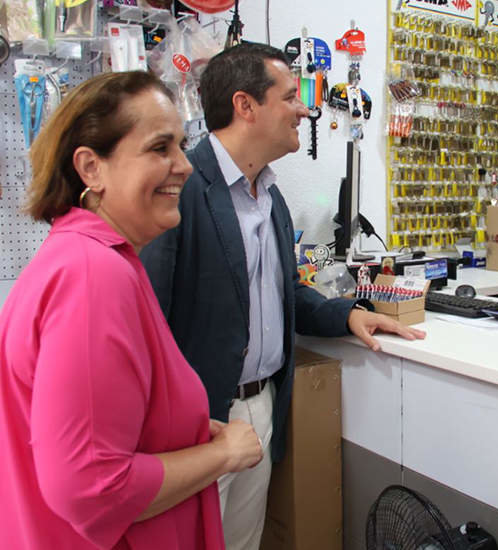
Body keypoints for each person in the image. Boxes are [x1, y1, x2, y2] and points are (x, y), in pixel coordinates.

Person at [140, 42, 425, 550]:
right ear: (246, 106)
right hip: (196, 427)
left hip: (261, 411)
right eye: (290, 96)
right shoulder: (181, 186)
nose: (305, 108)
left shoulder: (268, 195)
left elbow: (283, 292)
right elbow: (148, 318)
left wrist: (349, 316)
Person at [0, 71, 263, 550]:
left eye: (182, 144)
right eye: (160, 148)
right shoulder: (93, 277)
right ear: (91, 168)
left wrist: (184, 430)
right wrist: (224, 455)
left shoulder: (94, 258)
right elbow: (90, 489)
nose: (184, 165)